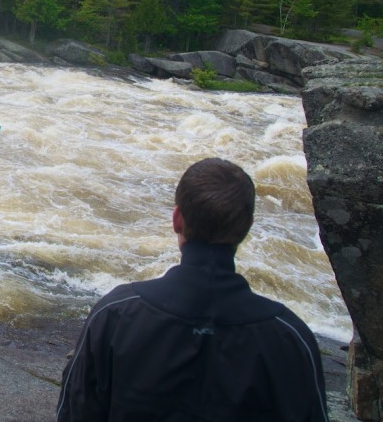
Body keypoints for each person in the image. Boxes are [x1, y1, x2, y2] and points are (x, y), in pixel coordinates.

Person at [57, 157, 328, 421]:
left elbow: (73, 412)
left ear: (177, 219)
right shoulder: (291, 338)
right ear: (247, 228)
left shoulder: (113, 315)